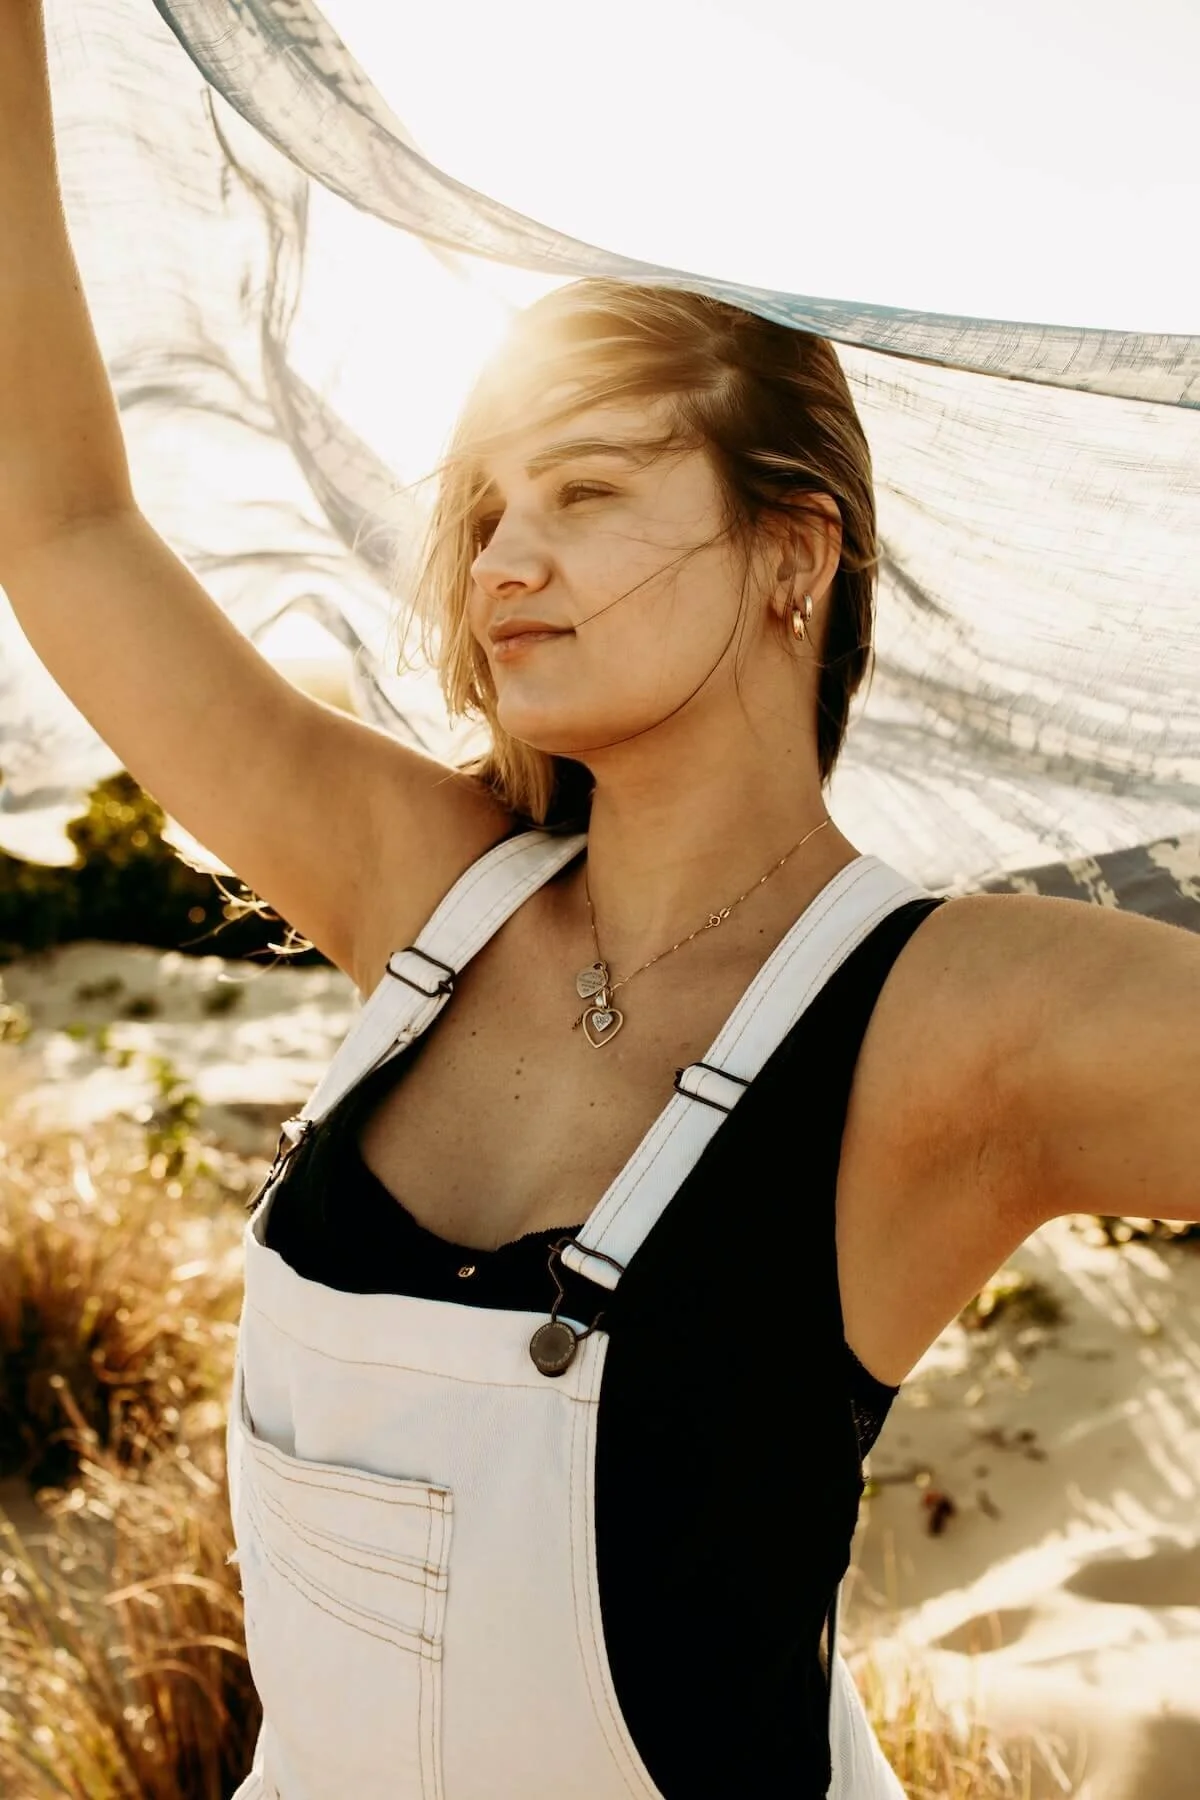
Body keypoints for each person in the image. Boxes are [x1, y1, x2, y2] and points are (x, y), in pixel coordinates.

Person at [3, 5, 1198, 1794]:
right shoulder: (431, 896)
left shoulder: (958, 1020)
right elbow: (64, 533)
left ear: (795, 549)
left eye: (586, 491)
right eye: (485, 509)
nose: (504, 561)